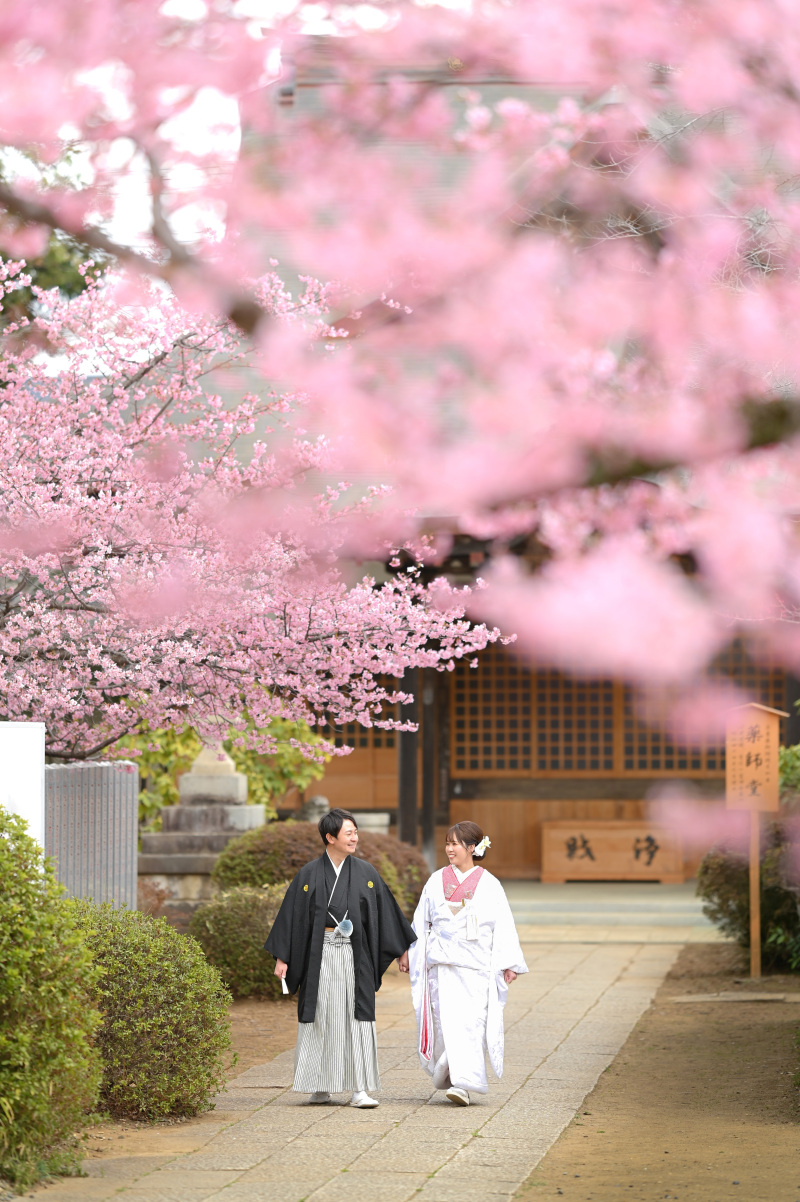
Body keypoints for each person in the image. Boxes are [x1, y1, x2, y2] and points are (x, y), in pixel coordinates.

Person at [265, 807, 416, 1108]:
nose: (355, 838)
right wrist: (283, 957)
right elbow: (291, 917)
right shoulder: (308, 874)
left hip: (352, 954)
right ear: (330, 837)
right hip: (317, 954)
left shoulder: (365, 873)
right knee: (321, 1015)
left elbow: (385, 911)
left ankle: (360, 1089)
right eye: (349, 833)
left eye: (355, 832)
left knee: (355, 1017)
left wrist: (402, 948)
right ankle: (319, 1086)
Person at [408, 820, 528, 1106]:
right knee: (443, 1022)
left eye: (455, 844)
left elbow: (504, 925)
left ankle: (464, 1082)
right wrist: (409, 952)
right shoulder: (436, 880)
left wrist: (509, 962)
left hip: (475, 966)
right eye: (447, 843)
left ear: (471, 848)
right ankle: (451, 1076)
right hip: (441, 964)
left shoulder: (490, 884)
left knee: (470, 1022)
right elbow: (420, 920)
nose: (449, 849)